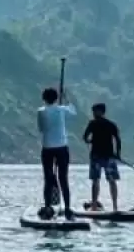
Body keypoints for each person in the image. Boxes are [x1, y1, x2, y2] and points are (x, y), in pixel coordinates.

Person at [37, 86, 76, 218]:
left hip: (47, 147)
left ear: (44, 99)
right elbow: (73, 111)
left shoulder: (41, 111)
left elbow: (41, 129)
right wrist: (65, 99)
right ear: (56, 98)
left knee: (48, 179)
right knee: (63, 179)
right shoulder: (62, 109)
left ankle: (48, 206)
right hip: (62, 147)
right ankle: (68, 208)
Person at [83, 102, 122, 211]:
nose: (93, 113)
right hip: (108, 156)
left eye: (95, 111)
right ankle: (111, 207)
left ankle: (97, 206)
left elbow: (85, 137)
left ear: (100, 111)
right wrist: (118, 154)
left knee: (100, 180)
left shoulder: (93, 123)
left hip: (98, 156)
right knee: (108, 181)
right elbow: (118, 140)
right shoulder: (111, 124)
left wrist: (90, 141)